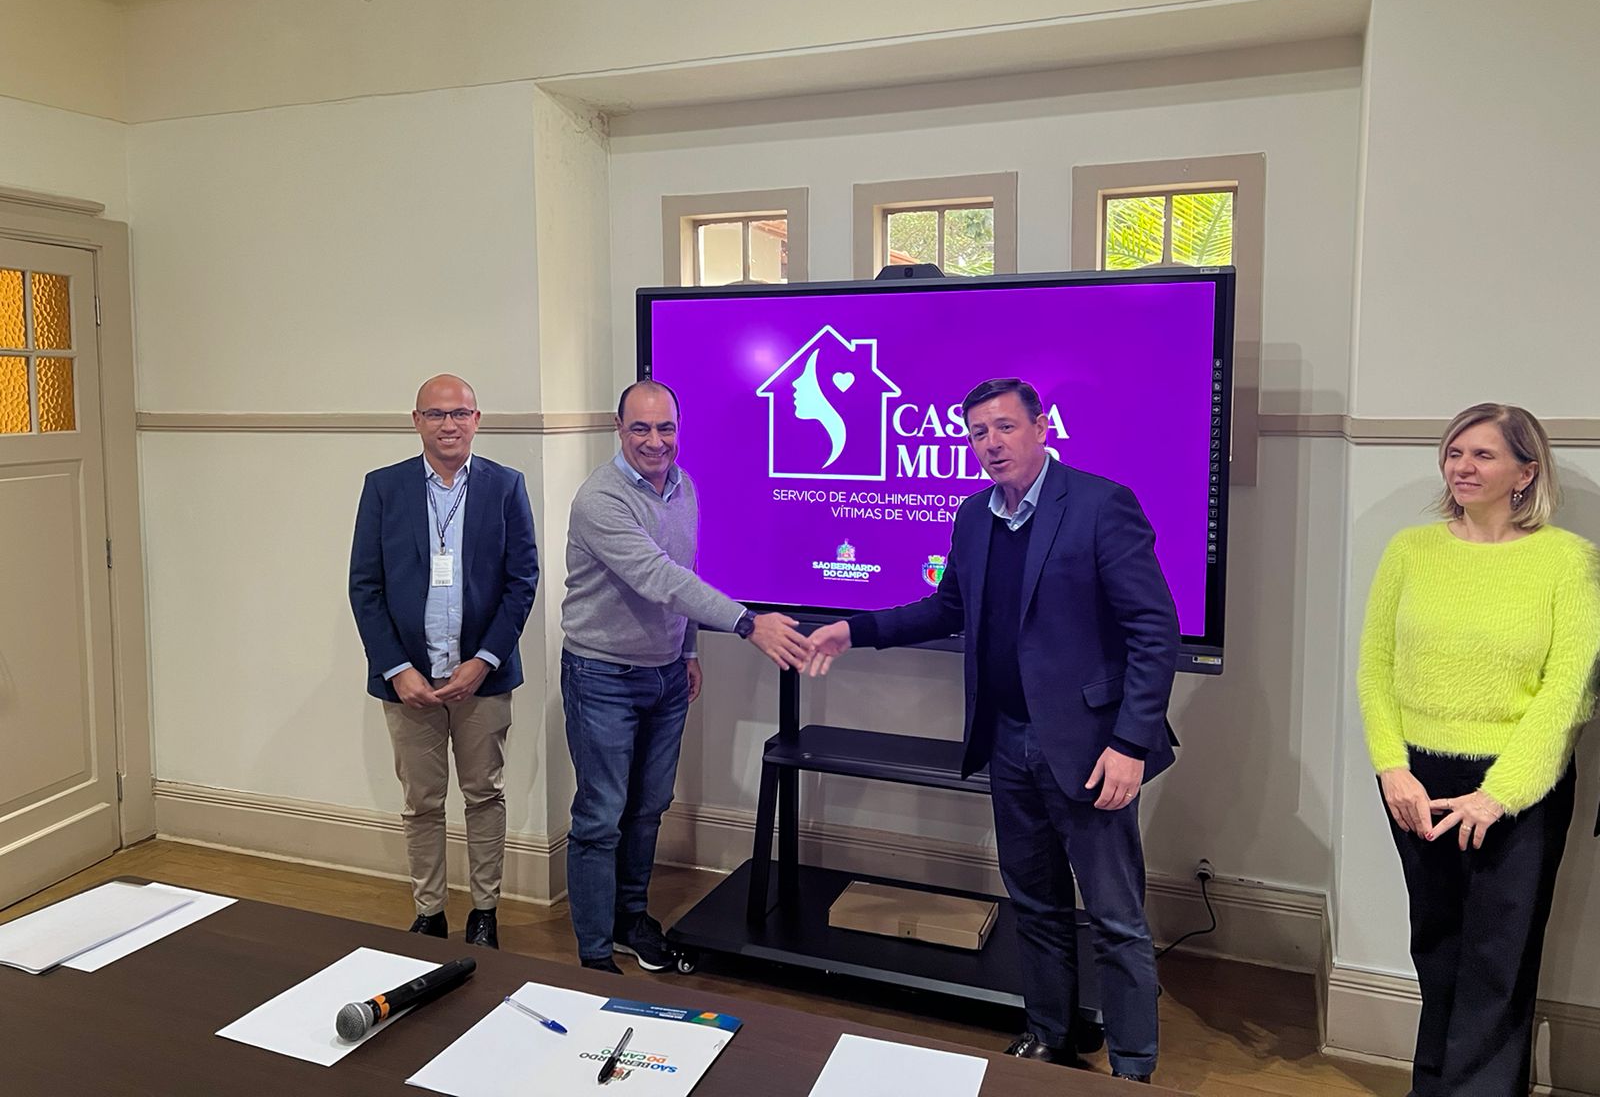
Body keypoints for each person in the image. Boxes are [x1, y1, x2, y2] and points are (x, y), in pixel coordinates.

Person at [807, 377, 1178, 1083]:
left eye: (1005, 427)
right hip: (1008, 742)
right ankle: (1051, 1037)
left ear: (1041, 428)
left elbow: (1154, 632)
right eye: (978, 433)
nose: (991, 444)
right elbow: (947, 607)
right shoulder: (975, 516)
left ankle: (1133, 1070)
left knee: (1114, 918)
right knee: (1034, 904)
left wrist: (1130, 743)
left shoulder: (1101, 505)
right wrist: (855, 629)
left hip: (1090, 749)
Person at [1358, 403, 1600, 1096]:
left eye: (1483, 455)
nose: (1462, 467)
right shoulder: (1410, 550)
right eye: (1454, 452)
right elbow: (1376, 667)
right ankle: (1432, 1086)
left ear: (1526, 472)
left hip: (1519, 783)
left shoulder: (1568, 561)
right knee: (1436, 944)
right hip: (1417, 778)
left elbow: (1570, 692)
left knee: (1500, 956)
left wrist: (1499, 795)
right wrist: (1391, 768)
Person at [561, 379, 813, 974]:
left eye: (666, 427)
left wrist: (690, 649)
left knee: (650, 806)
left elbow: (686, 570)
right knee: (601, 815)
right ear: (618, 429)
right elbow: (659, 578)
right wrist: (747, 623)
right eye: (640, 428)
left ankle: (629, 920)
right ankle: (594, 952)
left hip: (667, 673)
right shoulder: (600, 500)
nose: (655, 441)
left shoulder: (683, 486)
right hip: (603, 675)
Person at [349, 374, 539, 949]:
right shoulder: (384, 488)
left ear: (477, 420)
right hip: (409, 682)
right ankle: (429, 912)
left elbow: (522, 581)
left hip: (482, 678)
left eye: (459, 413)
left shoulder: (505, 486)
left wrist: (484, 661)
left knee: (484, 795)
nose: (448, 424)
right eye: (435, 414)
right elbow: (365, 587)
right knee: (422, 802)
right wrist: (396, 669)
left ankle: (484, 912)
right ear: (417, 421)